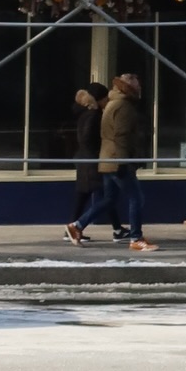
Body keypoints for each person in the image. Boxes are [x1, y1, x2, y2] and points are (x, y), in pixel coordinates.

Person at [67, 73, 158, 252]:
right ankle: (136, 238)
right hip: (117, 160)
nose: (140, 88)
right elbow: (121, 136)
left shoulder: (112, 103)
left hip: (107, 159)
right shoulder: (124, 106)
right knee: (136, 198)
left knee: (109, 199)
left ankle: (77, 226)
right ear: (129, 87)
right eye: (137, 85)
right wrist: (123, 162)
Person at [63, 81, 113, 242]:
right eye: (105, 98)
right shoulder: (93, 115)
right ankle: (117, 229)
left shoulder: (86, 113)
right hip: (91, 160)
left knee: (84, 195)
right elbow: (87, 137)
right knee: (108, 195)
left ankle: (73, 227)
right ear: (98, 99)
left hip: (84, 159)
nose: (107, 101)